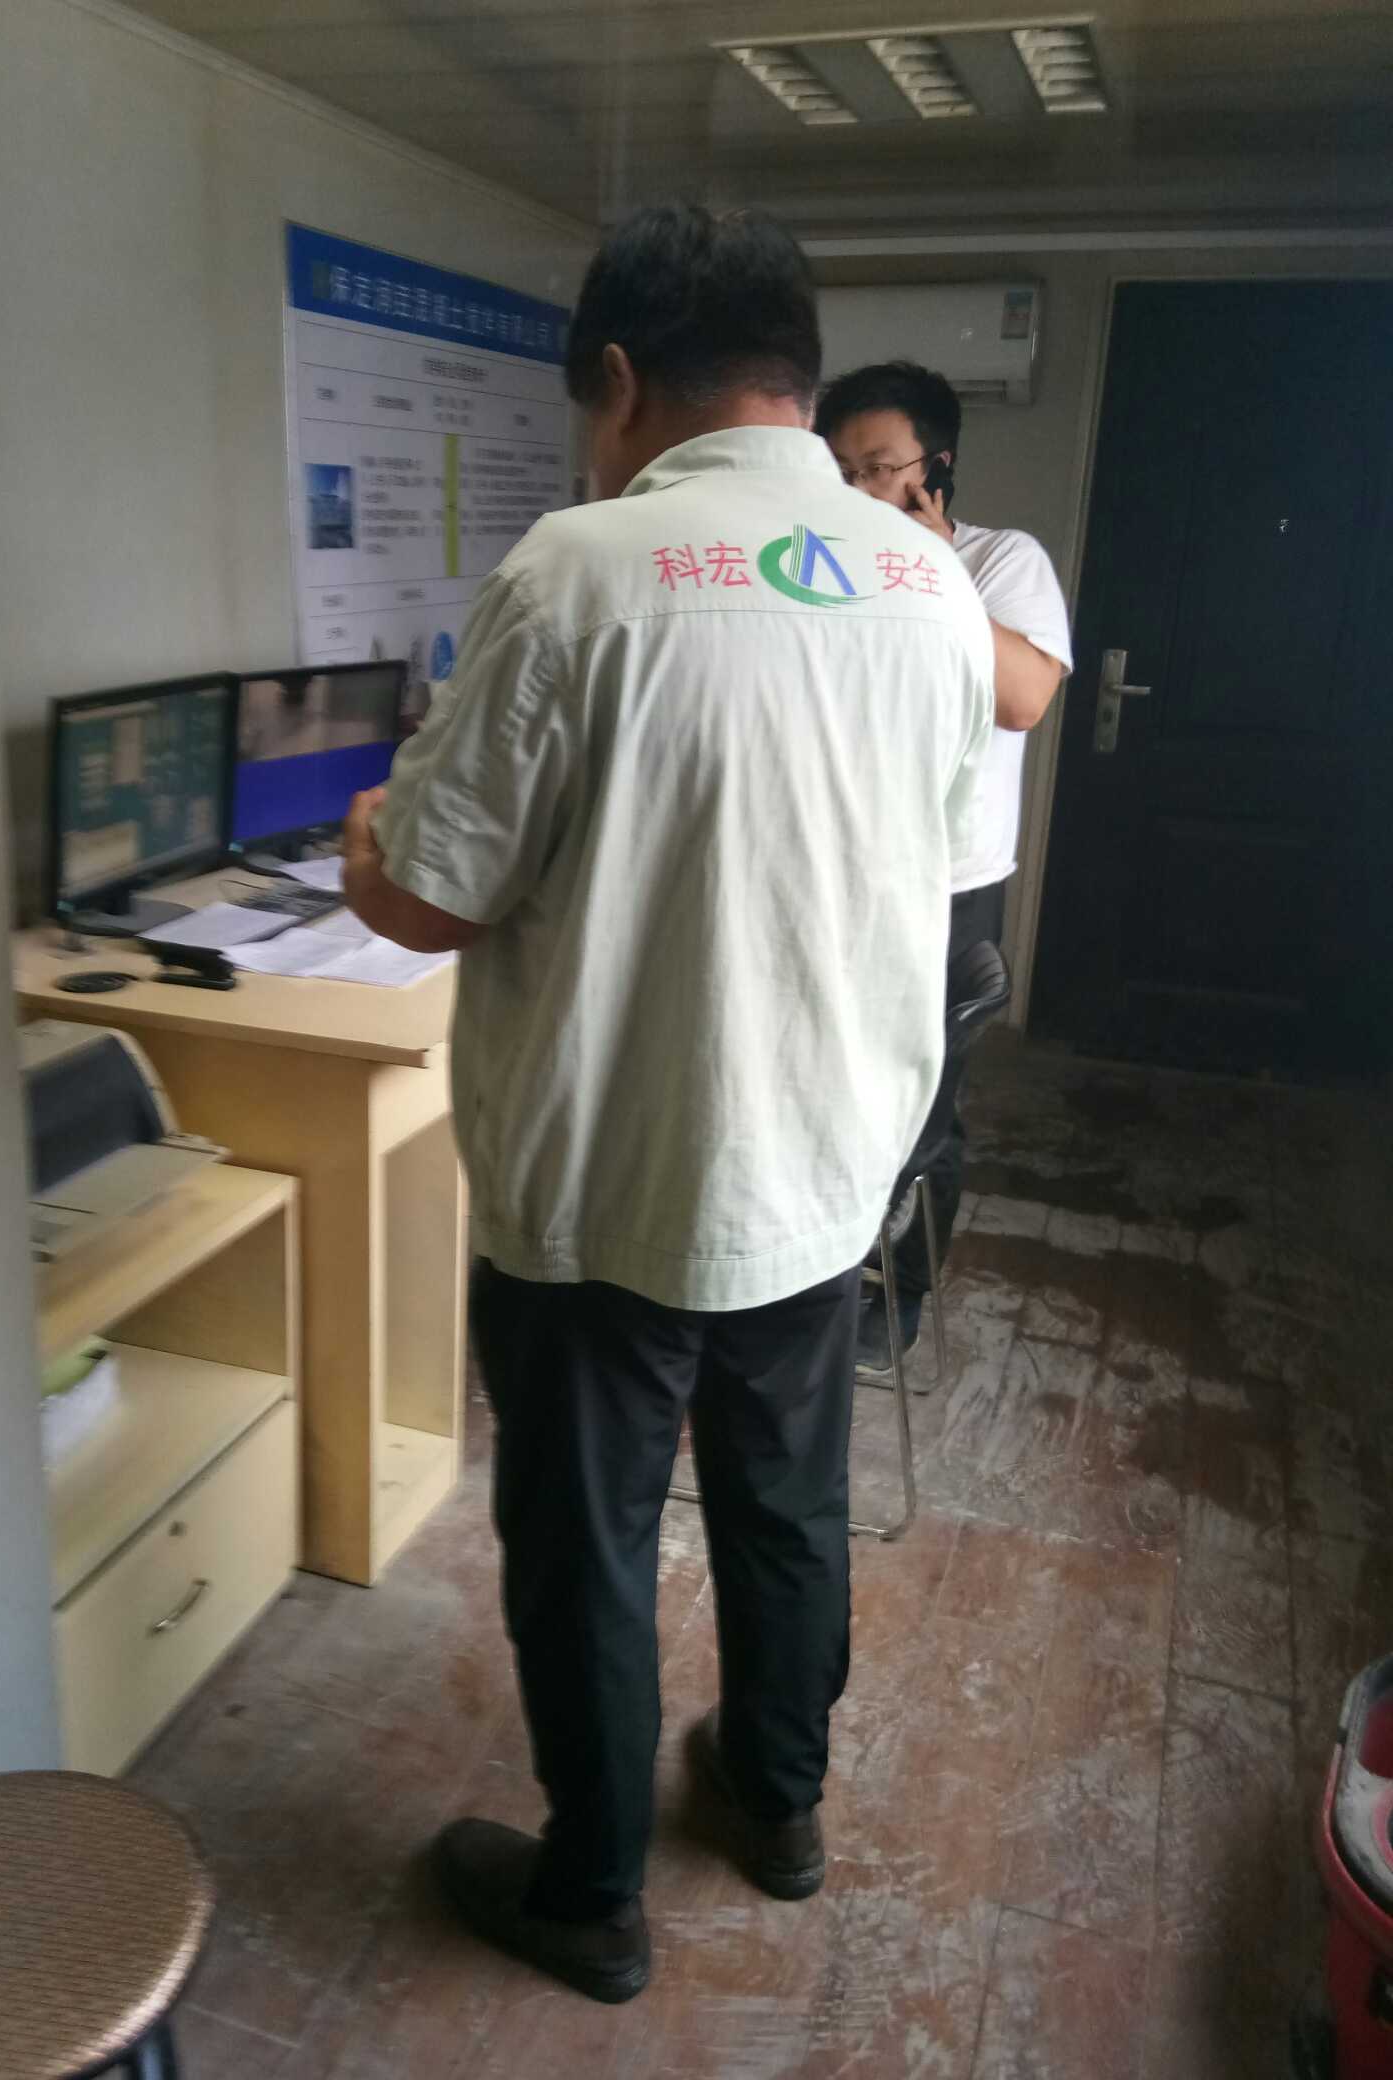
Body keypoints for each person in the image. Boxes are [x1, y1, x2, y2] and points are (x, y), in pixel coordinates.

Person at [342, 207, 993, 2004]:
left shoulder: (577, 570)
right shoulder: (927, 583)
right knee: (788, 1506)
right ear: (796, 373)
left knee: (589, 1543)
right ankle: (778, 1807)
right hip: (823, 1167)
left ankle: (592, 1893)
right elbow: (933, 864)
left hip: (606, 1189)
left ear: (619, 381)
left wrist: (368, 845)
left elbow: (435, 896)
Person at [815, 361, 1073, 1376]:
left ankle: (902, 1291)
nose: (857, 490)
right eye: (839, 469)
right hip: (839, 872)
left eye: (879, 467)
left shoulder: (1002, 561)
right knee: (828, 1093)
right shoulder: (815, 563)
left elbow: (1023, 699)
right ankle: (815, 1275)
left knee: (924, 1109)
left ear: (937, 468)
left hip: (949, 884)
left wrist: (928, 569)